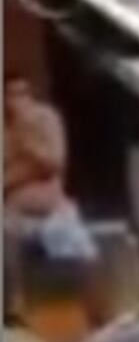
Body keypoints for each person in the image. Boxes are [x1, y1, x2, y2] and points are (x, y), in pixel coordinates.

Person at [4, 72, 98, 321]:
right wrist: (24, 174)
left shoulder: (47, 119)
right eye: (10, 95)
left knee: (78, 247)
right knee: (8, 238)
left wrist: (25, 143)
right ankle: (16, 306)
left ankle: (93, 308)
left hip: (53, 206)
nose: (17, 101)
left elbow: (54, 163)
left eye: (22, 94)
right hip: (12, 210)